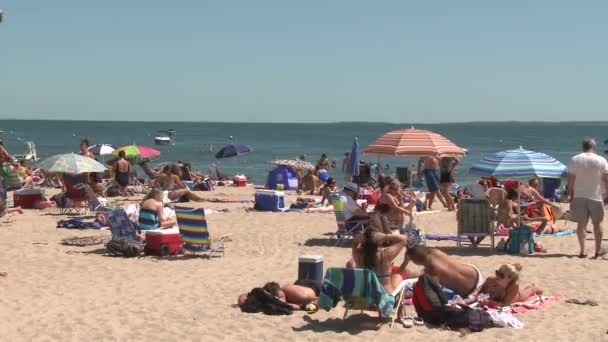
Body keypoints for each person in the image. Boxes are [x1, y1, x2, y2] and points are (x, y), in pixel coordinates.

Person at [567, 137, 608, 258]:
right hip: (596, 195)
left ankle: (583, 251)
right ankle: (597, 250)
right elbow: (606, 180)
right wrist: (607, 194)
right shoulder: (601, 160)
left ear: (583, 147)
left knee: (581, 224)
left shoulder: (575, 159)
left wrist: (571, 194)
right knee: (597, 223)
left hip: (579, 195)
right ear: (594, 148)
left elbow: (570, 180)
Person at [349, 228, 420, 294]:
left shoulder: (358, 255)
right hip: (386, 299)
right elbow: (404, 239)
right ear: (378, 241)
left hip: (364, 297)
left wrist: (365, 237)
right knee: (399, 274)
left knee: (399, 272)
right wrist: (385, 236)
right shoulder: (384, 256)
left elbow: (356, 241)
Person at [404, 245, 483, 298]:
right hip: (475, 272)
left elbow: (432, 291)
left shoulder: (430, 271)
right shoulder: (434, 251)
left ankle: (405, 274)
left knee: (423, 280)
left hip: (469, 291)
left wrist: (408, 294)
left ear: (415, 260)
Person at [473, 263, 543, 306]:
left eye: (501, 275)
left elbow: (505, 304)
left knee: (531, 290)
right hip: (497, 297)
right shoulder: (490, 280)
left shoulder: (513, 286)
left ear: (509, 279)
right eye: (497, 272)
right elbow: (480, 293)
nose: (497, 276)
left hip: (515, 297)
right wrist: (479, 297)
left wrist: (489, 302)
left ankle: (533, 286)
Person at [237, 281, 319, 311]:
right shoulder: (272, 298)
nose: (281, 301)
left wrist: (308, 307)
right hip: (300, 285)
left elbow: (319, 299)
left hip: (315, 288)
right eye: (278, 298)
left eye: (281, 297)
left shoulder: (300, 295)